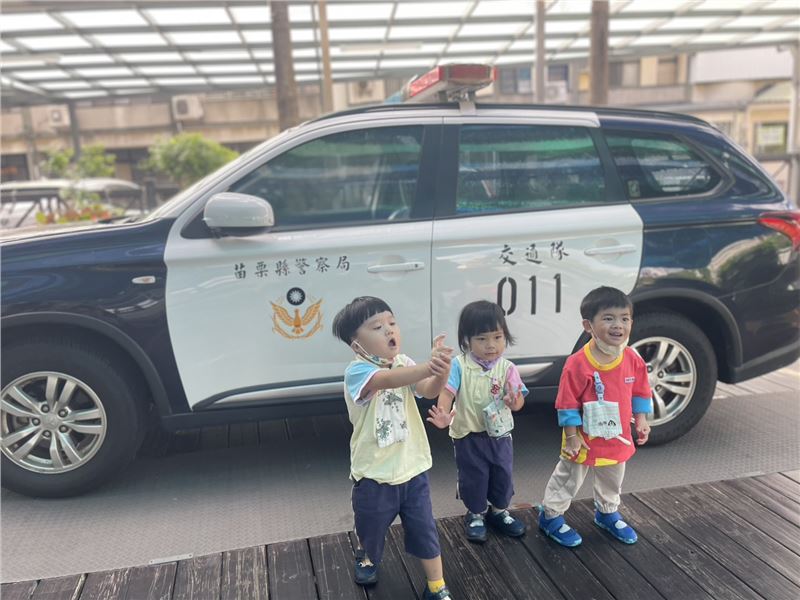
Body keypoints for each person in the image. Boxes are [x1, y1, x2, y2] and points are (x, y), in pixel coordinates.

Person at [332, 296, 455, 600]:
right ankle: (366, 557)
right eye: (377, 327)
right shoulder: (358, 372)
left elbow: (428, 389)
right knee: (370, 528)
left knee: (425, 530)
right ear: (356, 344)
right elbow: (386, 380)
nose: (389, 330)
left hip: (412, 469)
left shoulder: (405, 363)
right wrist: (429, 366)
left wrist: (441, 370)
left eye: (392, 322)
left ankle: (437, 586)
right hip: (374, 474)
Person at [538, 286, 652, 547]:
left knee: (613, 476)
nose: (618, 325)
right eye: (608, 318)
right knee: (569, 477)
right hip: (582, 438)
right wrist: (571, 436)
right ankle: (551, 515)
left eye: (624, 318)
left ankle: (607, 512)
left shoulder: (632, 358)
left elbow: (641, 390)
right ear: (588, 325)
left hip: (617, 435)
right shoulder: (578, 363)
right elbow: (566, 402)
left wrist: (641, 419)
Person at [428, 300, 528, 543]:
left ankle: (499, 511)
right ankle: (475, 513)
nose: (491, 345)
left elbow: (518, 402)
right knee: (474, 477)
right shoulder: (459, 365)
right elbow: (448, 393)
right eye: (482, 339)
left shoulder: (507, 368)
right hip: (468, 435)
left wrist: (514, 401)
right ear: (467, 340)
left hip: (500, 435)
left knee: (502, 474)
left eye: (497, 337)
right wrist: (443, 413)